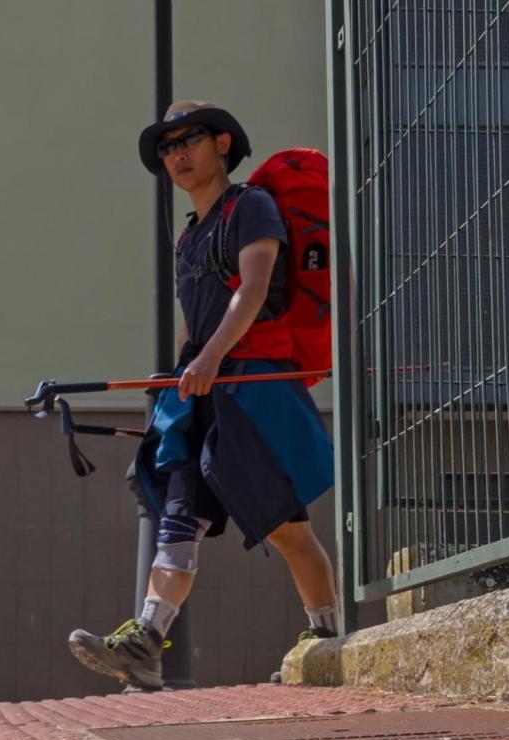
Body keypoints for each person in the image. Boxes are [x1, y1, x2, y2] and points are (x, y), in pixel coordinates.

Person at [68, 101, 338, 692]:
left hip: (249, 390)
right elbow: (195, 320)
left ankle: (327, 640)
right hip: (201, 392)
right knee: (179, 512)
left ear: (221, 143)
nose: (176, 155)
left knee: (288, 529)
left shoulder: (252, 208)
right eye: (166, 148)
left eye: (188, 141)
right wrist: (177, 377)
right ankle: (146, 640)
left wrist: (211, 358)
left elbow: (256, 287)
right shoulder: (190, 237)